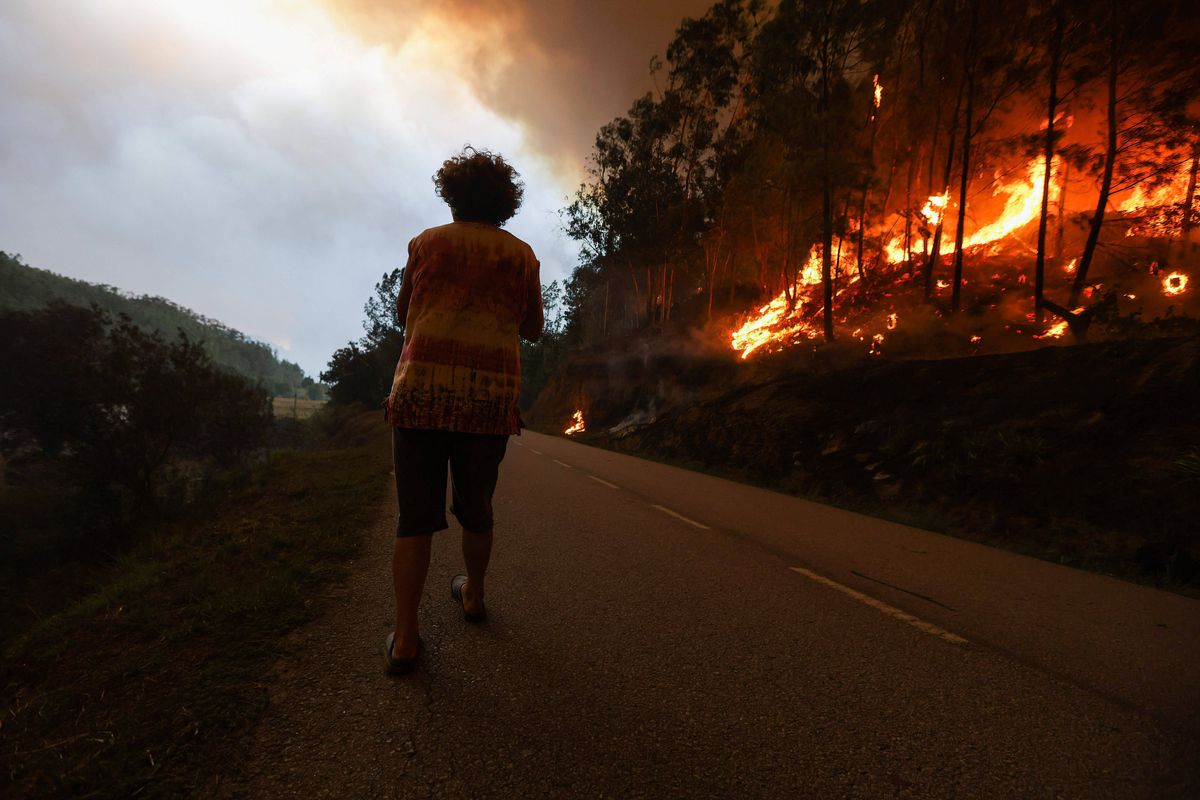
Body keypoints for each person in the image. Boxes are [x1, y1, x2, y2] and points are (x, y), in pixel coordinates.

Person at [382, 147, 543, 675]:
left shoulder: (426, 243)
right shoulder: (522, 257)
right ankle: (472, 595)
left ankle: (405, 640)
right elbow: (534, 327)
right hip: (487, 401)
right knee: (477, 508)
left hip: (421, 394)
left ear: (452, 196)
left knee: (414, 520)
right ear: (505, 202)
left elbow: (405, 311)